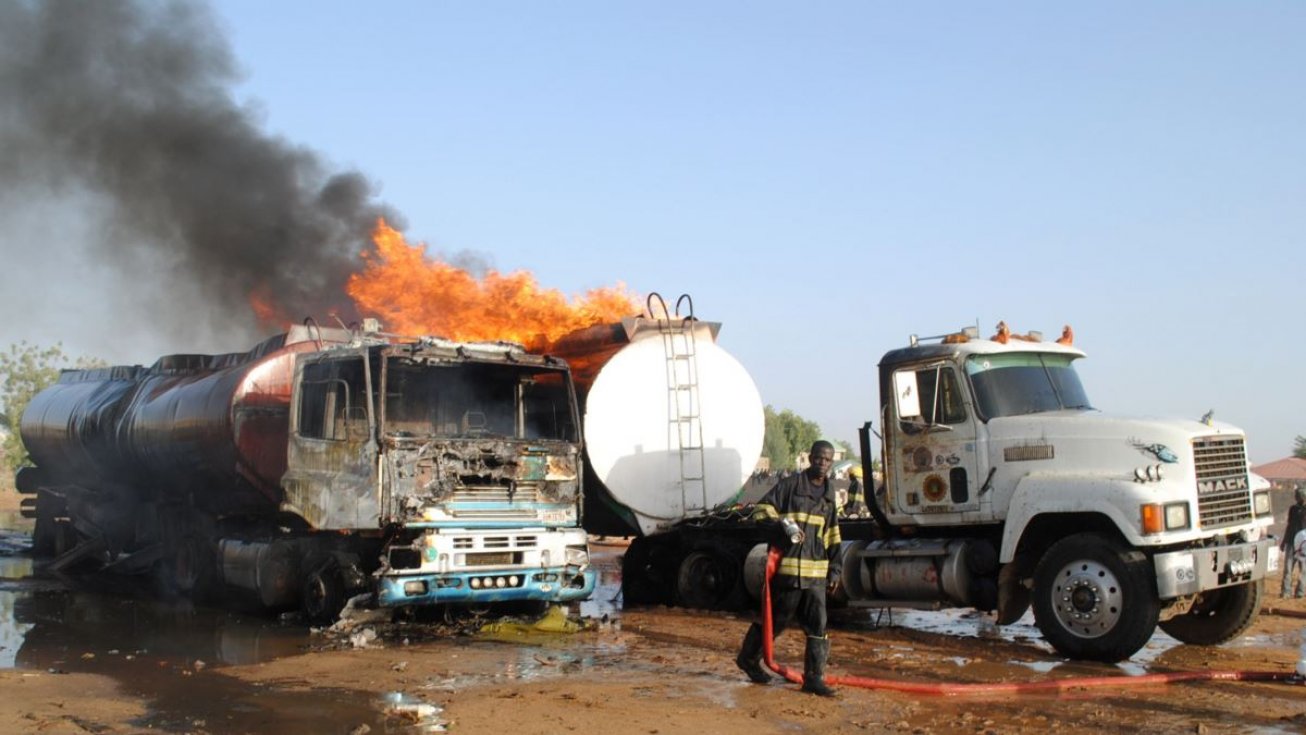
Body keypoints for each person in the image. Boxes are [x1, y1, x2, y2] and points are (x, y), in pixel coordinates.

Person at [735, 440, 842, 697]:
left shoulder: (829, 497)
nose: (822, 464)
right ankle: (748, 659)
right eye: (818, 458)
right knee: (777, 621)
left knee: (818, 626)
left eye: (827, 460)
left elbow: (833, 537)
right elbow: (761, 510)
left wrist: (835, 570)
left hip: (815, 577)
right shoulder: (790, 486)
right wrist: (780, 527)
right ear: (810, 458)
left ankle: (814, 679)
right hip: (789, 573)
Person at [1282, 486, 1306, 597]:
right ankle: (1286, 591)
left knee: (1304, 569)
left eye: (1299, 495)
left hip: (1303, 544)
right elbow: (1289, 525)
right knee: (1288, 568)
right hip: (1291, 542)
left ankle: (1300, 592)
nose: (1297, 497)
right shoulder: (1293, 509)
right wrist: (1283, 541)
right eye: (1297, 495)